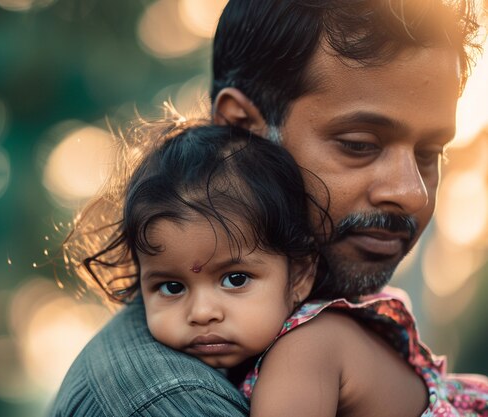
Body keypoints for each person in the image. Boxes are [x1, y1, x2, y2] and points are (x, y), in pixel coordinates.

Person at [48, 0, 482, 416]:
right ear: (242, 129)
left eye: (429, 153)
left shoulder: (327, 333)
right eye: (359, 145)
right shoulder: (171, 399)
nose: (412, 193)